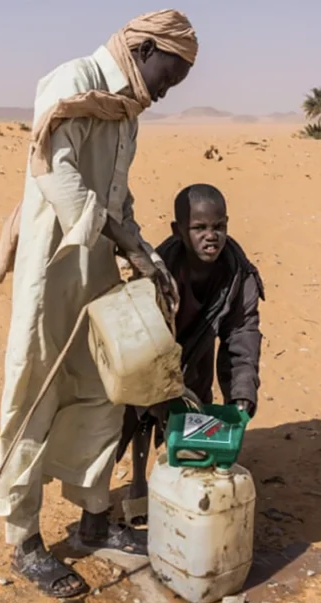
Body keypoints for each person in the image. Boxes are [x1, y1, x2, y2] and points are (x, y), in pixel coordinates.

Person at [0, 10, 198, 599]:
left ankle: (92, 519)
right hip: (52, 268)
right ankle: (25, 538)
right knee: (34, 392)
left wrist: (143, 253)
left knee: (104, 389)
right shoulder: (72, 81)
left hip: (97, 268)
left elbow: (115, 195)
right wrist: (121, 236)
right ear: (145, 48)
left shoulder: (126, 112)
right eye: (167, 75)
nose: (163, 91)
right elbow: (60, 176)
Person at [116, 183, 264, 526]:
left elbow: (242, 333)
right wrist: (158, 388)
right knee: (141, 414)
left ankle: (181, 492)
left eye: (219, 227)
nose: (211, 237)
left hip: (196, 359)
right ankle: (138, 484)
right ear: (179, 230)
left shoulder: (238, 275)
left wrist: (242, 392)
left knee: (193, 424)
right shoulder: (157, 272)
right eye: (199, 228)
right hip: (154, 354)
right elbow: (139, 331)